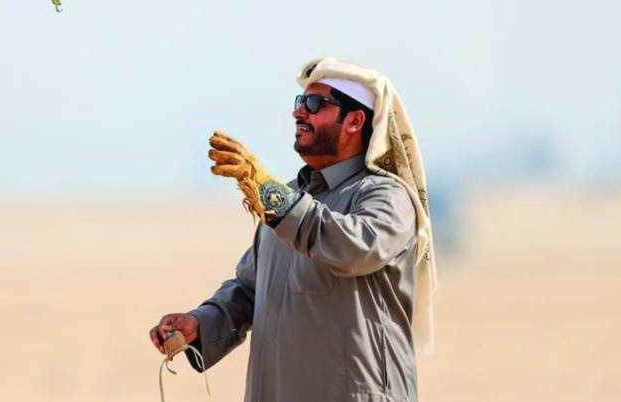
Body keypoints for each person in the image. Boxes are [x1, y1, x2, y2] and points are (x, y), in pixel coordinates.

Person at [149, 57, 436, 402]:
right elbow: (249, 289)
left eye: (315, 104)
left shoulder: (385, 196)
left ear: (355, 121)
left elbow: (356, 248)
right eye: (300, 102)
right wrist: (200, 322)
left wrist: (275, 199)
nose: (298, 112)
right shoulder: (289, 200)